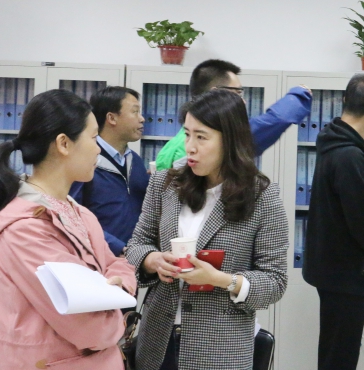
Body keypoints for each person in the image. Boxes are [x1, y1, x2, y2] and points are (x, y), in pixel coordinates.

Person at [126, 88, 288, 370]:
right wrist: (152, 260)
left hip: (220, 349)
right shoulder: (165, 184)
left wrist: (222, 279)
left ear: (231, 140)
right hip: (157, 344)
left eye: (201, 137)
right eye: (187, 134)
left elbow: (275, 281)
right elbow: (137, 244)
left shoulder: (262, 196)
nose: (190, 146)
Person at [0, 89, 137, 370]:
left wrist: (119, 286)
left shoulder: (79, 213)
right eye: (93, 138)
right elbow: (90, 329)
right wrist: (119, 316)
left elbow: (118, 264)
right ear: (64, 144)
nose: (98, 149)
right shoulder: (24, 231)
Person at [303, 73, 364, 370]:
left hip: (331, 268)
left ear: (344, 101)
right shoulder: (349, 155)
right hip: (345, 273)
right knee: (340, 356)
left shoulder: (334, 141)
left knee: (335, 351)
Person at [155, 59, 311, 170]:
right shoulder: (224, 138)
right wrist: (300, 94)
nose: (243, 101)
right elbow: (274, 121)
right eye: (237, 93)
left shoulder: (177, 141)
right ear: (216, 94)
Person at [69, 86, 148, 256]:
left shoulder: (136, 161)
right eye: (135, 112)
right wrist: (117, 247)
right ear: (112, 118)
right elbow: (72, 217)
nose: (142, 119)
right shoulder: (84, 162)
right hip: (98, 258)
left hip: (136, 259)